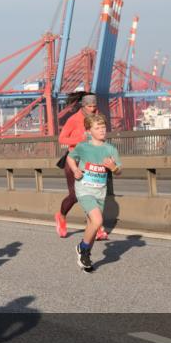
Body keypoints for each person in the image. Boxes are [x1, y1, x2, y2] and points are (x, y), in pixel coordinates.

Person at [66, 113, 122, 272]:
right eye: (97, 128)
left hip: (100, 192)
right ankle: (83, 248)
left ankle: (85, 254)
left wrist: (113, 168)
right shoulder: (83, 147)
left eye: (103, 127)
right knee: (97, 221)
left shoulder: (110, 149)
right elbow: (71, 158)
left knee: (92, 224)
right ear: (89, 131)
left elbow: (119, 171)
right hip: (84, 189)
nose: (102, 130)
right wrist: (75, 169)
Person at [55, 92, 109, 240]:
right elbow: (61, 139)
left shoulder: (98, 118)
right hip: (75, 160)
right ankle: (61, 216)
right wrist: (81, 138)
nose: (92, 109)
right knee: (74, 196)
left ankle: (97, 228)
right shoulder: (74, 119)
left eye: (94, 106)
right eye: (89, 106)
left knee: (93, 194)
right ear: (83, 105)